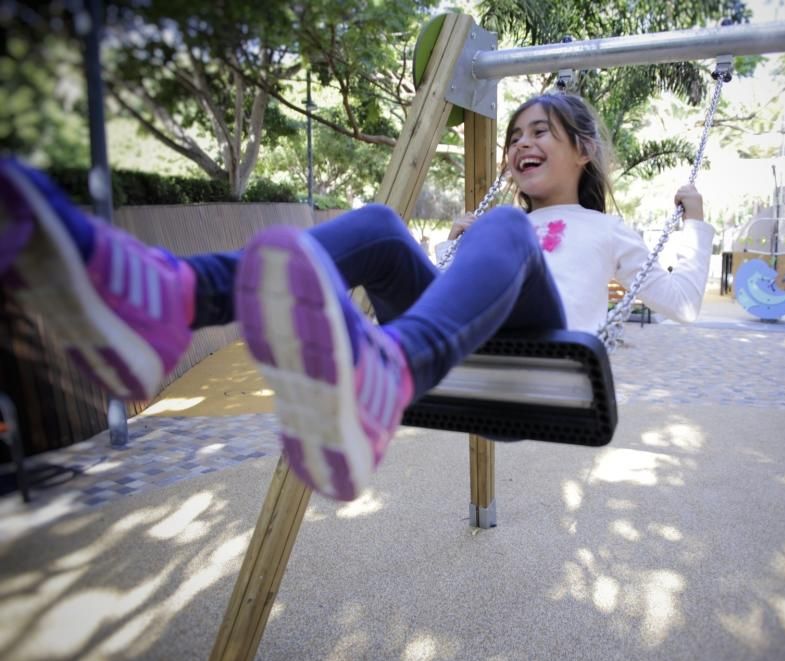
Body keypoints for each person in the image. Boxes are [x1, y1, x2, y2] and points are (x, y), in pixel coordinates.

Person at [0, 93, 714, 502]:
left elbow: (683, 300)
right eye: (516, 133)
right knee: (379, 224)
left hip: (537, 374)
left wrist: (697, 222)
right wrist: (467, 248)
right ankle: (173, 297)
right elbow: (467, 272)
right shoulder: (502, 226)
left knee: (503, 227)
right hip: (458, 362)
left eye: (541, 132)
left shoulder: (606, 227)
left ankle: (385, 371)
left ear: (583, 148)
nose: (520, 143)